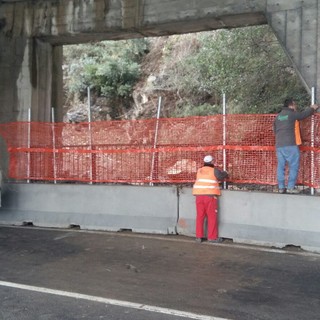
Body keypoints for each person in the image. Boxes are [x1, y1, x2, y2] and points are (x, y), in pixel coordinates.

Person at [273, 98, 319, 194]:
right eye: (295, 105)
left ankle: (281, 188)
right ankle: (290, 187)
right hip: (290, 145)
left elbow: (275, 131)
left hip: (279, 146)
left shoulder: (278, 117)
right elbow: (303, 115)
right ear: (291, 105)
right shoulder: (292, 114)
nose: (296, 106)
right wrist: (312, 108)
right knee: (293, 166)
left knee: (280, 166)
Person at [192, 155, 228, 243]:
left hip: (199, 196)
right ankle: (212, 237)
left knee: (200, 216)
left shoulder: (199, 170)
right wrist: (226, 172)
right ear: (212, 162)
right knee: (211, 217)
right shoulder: (214, 170)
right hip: (210, 196)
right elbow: (221, 176)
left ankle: (198, 237)